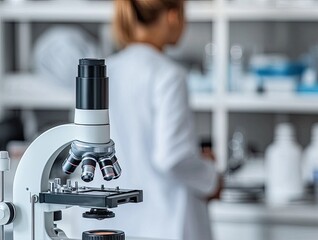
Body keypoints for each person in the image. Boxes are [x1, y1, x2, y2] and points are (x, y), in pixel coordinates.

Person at [71, 1, 221, 239]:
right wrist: (211, 177)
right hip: (165, 226)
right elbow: (173, 157)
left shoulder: (101, 73)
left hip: (111, 224)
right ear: (173, 16)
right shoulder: (168, 75)